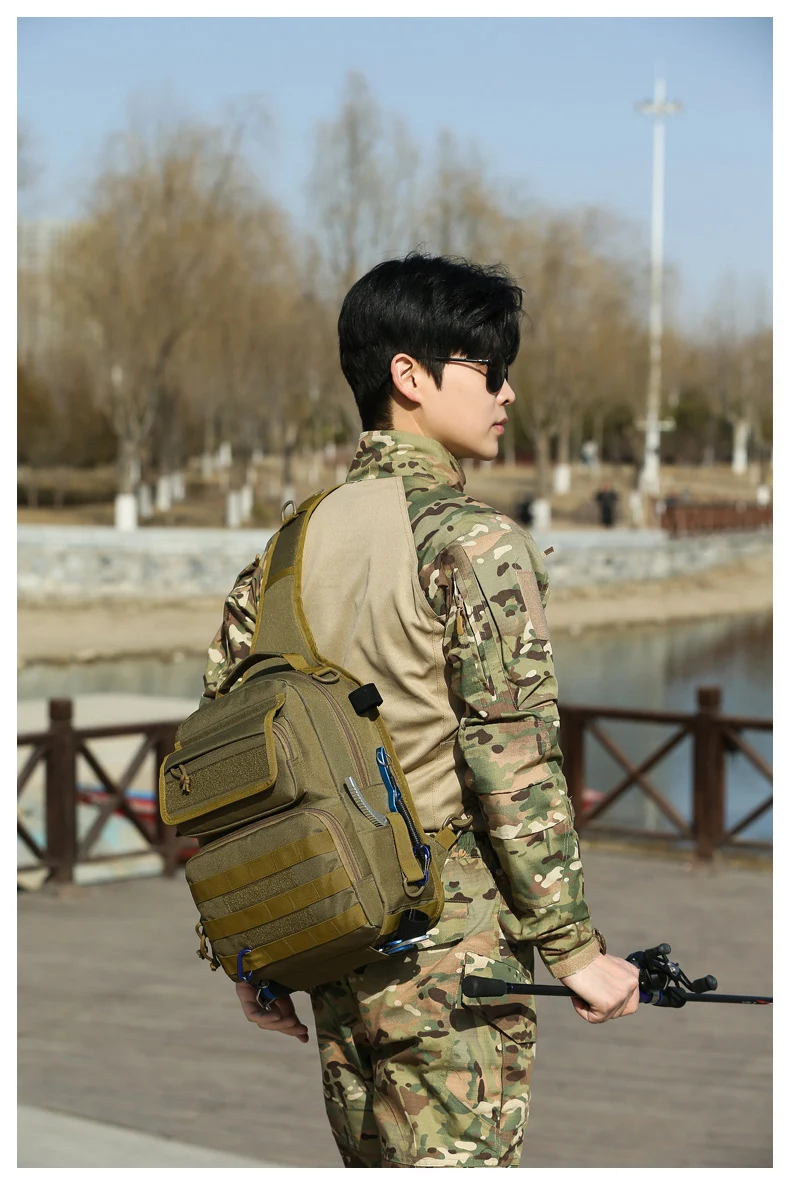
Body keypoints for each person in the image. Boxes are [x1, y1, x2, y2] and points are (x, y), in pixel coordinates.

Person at [201, 254, 640, 1169]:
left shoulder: (285, 550)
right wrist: (574, 948)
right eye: (490, 367)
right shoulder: (475, 543)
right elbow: (514, 762)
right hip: (453, 956)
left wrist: (250, 950)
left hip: (327, 940)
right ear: (409, 374)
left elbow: (225, 761)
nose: (507, 393)